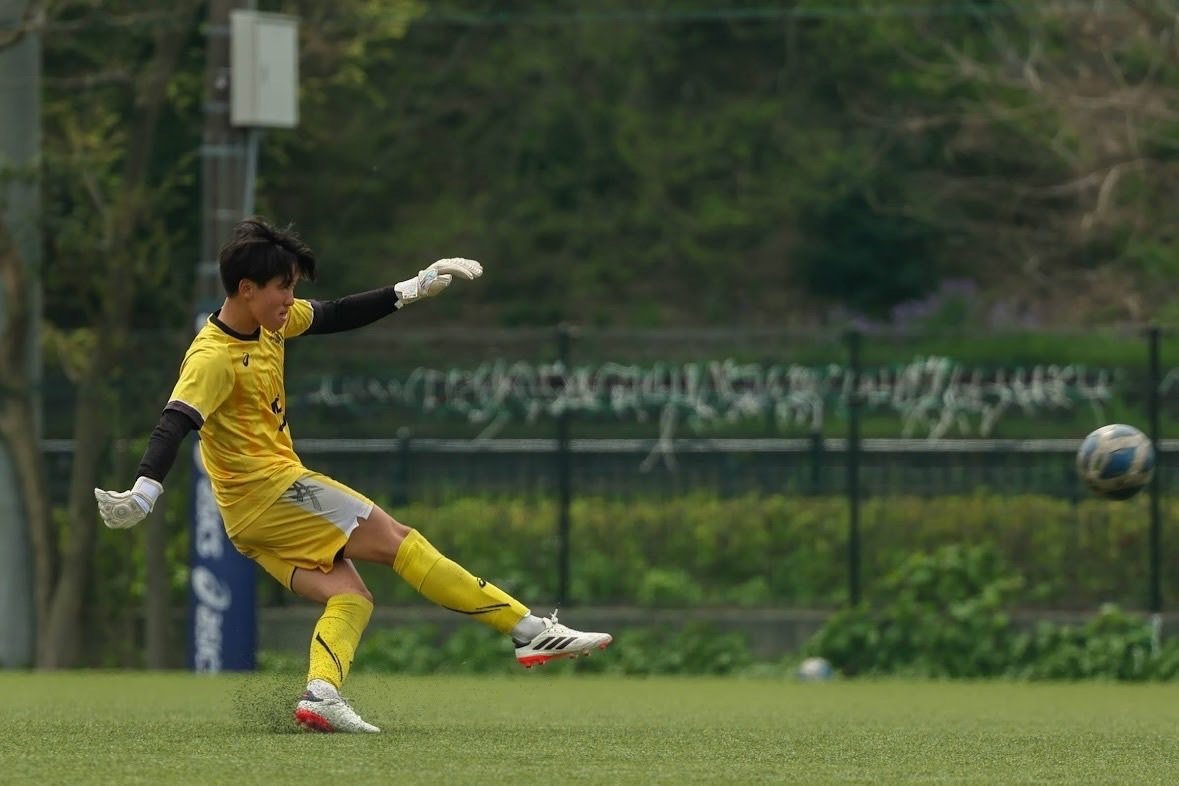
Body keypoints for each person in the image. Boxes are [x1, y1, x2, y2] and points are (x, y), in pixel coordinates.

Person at [94, 217, 612, 733]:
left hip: (248, 520)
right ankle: (527, 630)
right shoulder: (213, 356)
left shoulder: (268, 324)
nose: (290, 299)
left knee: (350, 597)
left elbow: (335, 313)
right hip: (273, 492)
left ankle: (320, 695)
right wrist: (145, 490)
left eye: (292, 287)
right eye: (283, 288)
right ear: (246, 289)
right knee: (398, 541)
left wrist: (413, 287)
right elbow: (176, 420)